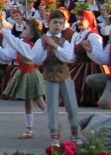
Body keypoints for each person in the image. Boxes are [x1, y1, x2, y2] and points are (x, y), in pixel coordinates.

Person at [30, 11, 78, 142]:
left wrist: (55, 46)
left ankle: (75, 134)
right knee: (52, 108)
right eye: (55, 22)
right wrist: (46, 48)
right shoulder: (41, 42)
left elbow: (67, 57)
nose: (57, 25)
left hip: (64, 76)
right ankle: (54, 136)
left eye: (60, 23)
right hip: (50, 76)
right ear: (48, 24)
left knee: (72, 107)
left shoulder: (65, 42)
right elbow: (36, 59)